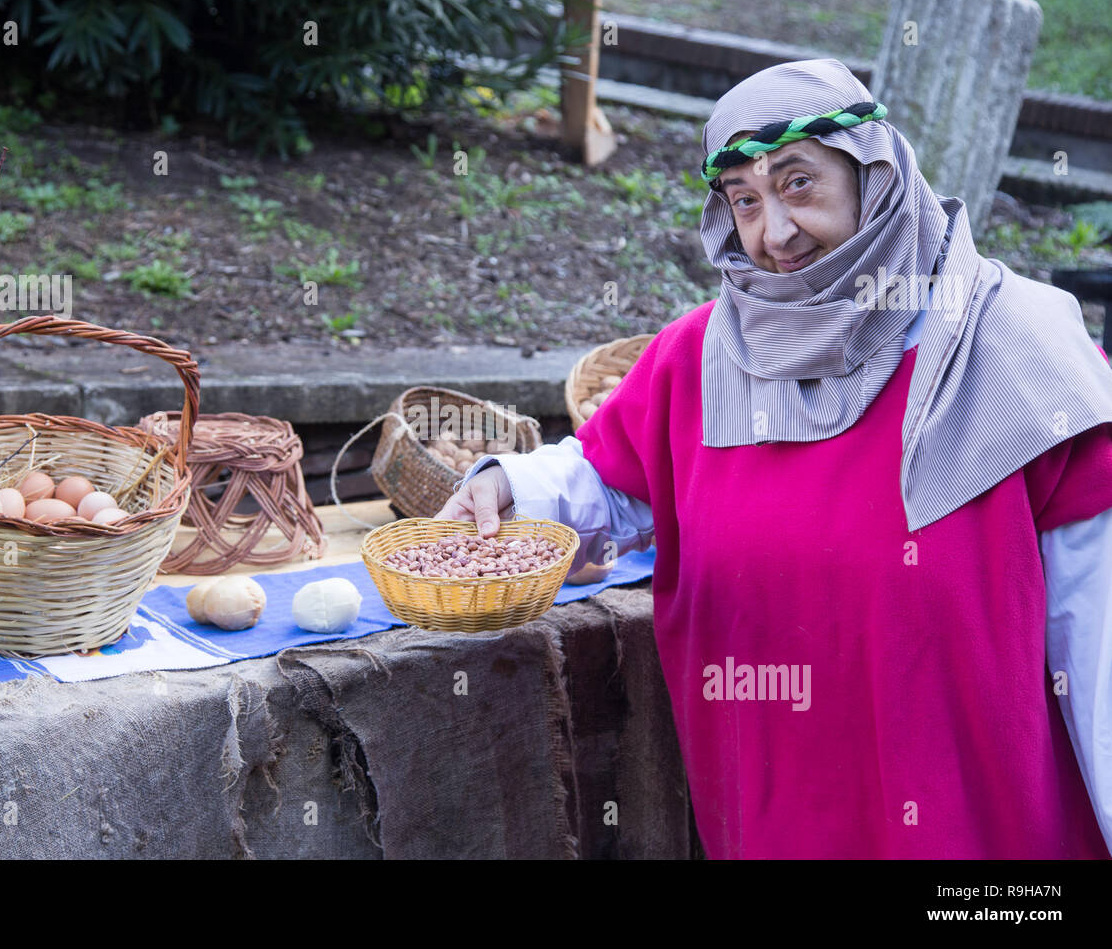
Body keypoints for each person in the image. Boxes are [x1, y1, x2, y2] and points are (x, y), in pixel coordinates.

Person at [437, 59, 1112, 859]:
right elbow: (614, 483)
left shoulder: (1021, 349)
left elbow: (1096, 632)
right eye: (746, 201)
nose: (776, 235)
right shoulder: (700, 356)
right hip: (782, 810)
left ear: (876, 171)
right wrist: (511, 485)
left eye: (799, 186)